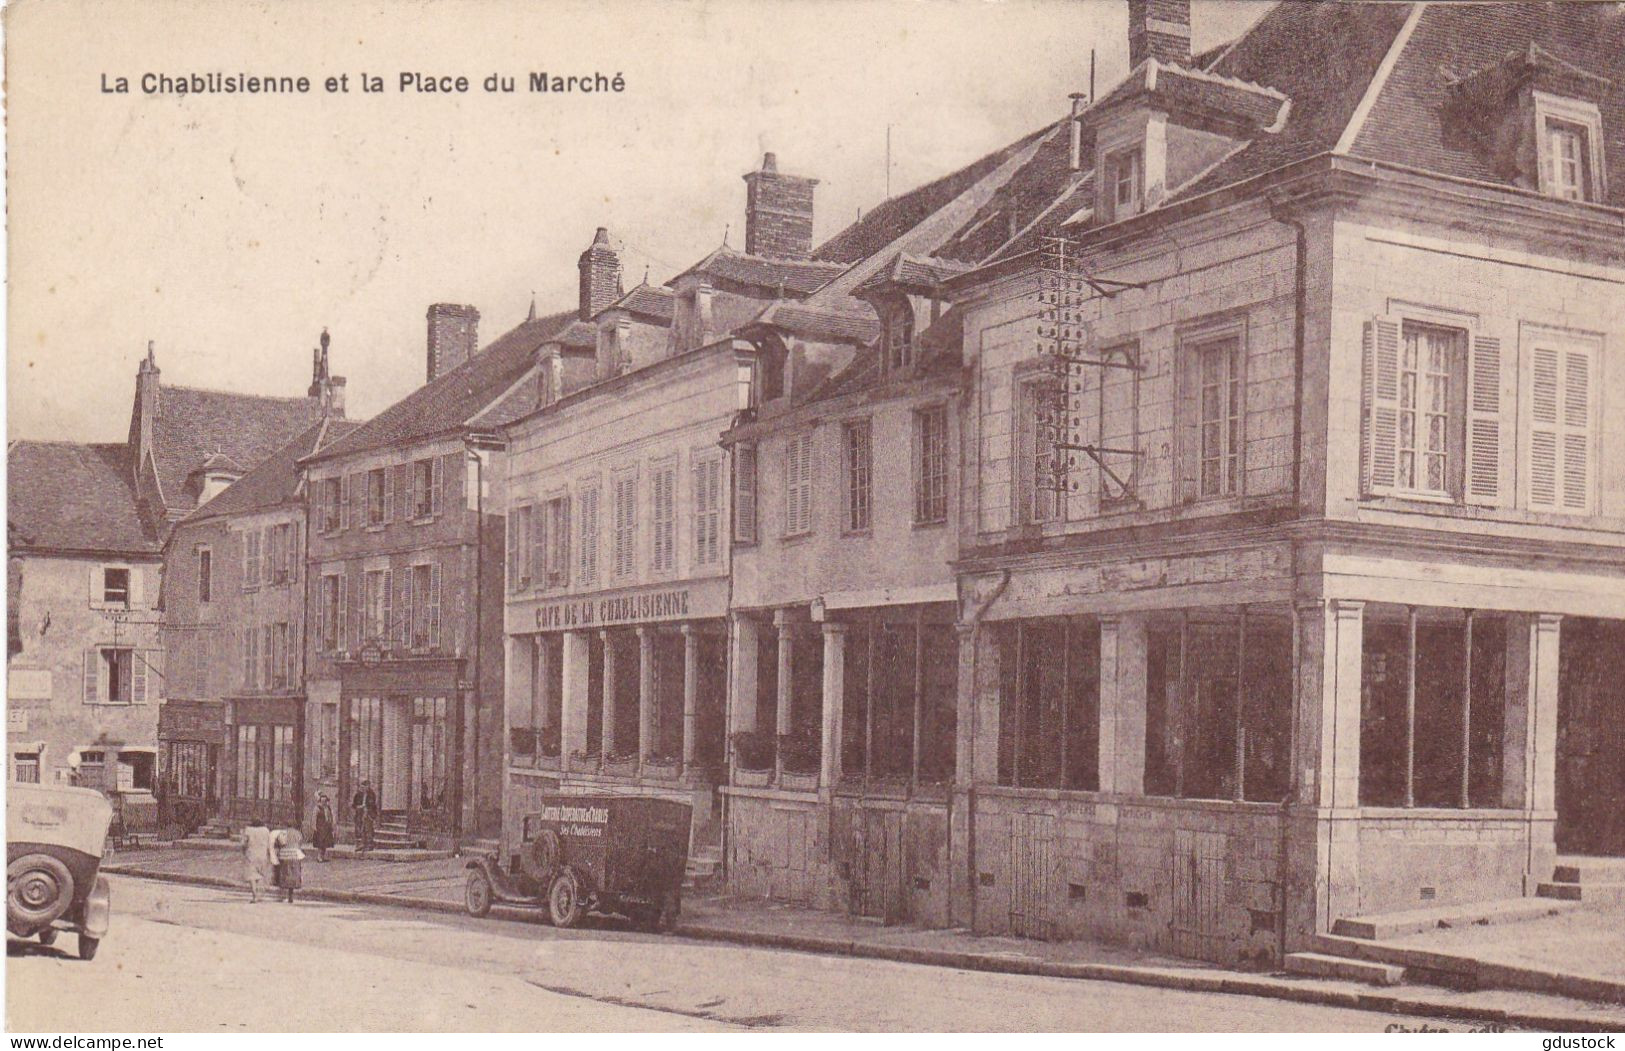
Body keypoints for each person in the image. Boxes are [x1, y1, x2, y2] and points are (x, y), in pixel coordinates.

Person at [240, 816, 276, 903]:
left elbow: (244, 843)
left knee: (251, 875)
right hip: (262, 854)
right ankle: (259, 894)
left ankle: (254, 895)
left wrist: (243, 851)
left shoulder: (248, 830)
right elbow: (269, 842)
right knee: (260, 874)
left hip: (251, 854)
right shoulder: (266, 830)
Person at [273, 825, 305, 903]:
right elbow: (300, 843)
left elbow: (280, 843)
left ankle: (282, 894)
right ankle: (291, 894)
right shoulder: (298, 833)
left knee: (284, 873)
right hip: (295, 854)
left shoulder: (282, 833)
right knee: (294, 874)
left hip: (284, 854)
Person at [351, 779, 379, 852]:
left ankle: (369, 845)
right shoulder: (358, 794)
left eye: (365, 787)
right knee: (360, 830)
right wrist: (359, 807)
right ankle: (361, 844)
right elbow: (354, 804)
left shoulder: (371, 794)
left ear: (368, 787)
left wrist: (367, 810)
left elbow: (371, 805)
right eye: (362, 787)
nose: (363, 789)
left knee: (368, 829)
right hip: (360, 814)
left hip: (368, 814)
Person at [311, 794, 336, 863]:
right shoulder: (317, 808)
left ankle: (323, 856)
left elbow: (331, 816)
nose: (324, 802)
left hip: (327, 827)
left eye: (325, 801)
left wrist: (332, 825)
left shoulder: (328, 808)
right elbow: (314, 818)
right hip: (320, 827)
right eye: (322, 801)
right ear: (320, 801)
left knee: (326, 842)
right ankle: (319, 856)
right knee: (320, 842)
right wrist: (314, 827)